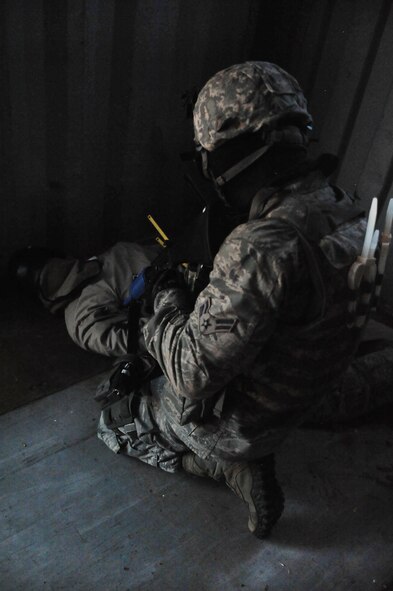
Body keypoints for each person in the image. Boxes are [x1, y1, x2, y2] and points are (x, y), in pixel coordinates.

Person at [10, 61, 393, 539]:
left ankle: (226, 467)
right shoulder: (349, 208)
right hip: (312, 395)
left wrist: (164, 300)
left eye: (209, 156)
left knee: (114, 422)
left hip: (245, 421)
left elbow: (191, 375)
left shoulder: (261, 244)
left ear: (235, 153)